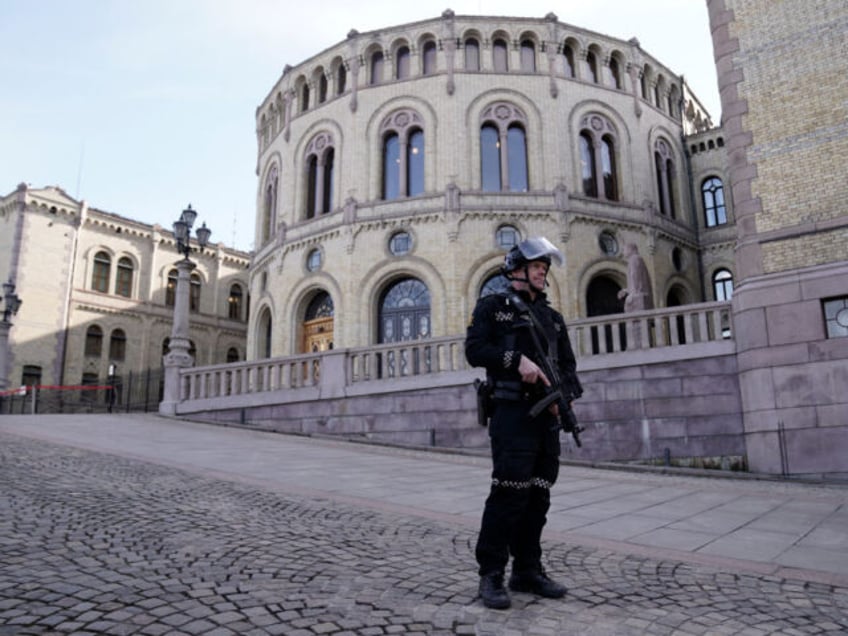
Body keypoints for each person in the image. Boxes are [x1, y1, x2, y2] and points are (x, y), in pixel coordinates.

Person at [465, 236, 582, 610]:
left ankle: (527, 570)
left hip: (545, 420)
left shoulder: (553, 318)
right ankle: (491, 574)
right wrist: (516, 360)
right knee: (509, 494)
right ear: (516, 270)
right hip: (512, 415)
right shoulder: (493, 307)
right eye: (536, 267)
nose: (542, 273)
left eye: (544, 269)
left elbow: (568, 367)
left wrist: (562, 400)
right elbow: (474, 350)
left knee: (538, 496)